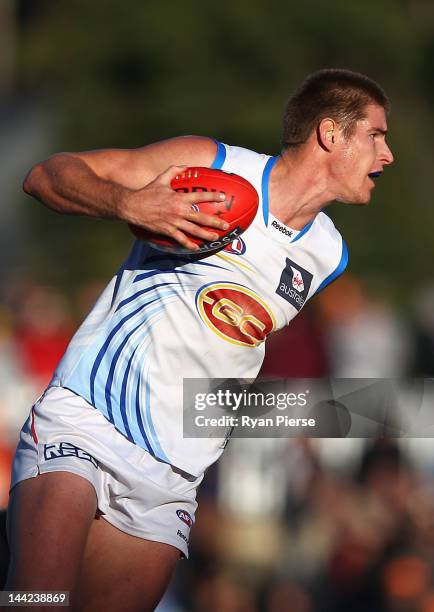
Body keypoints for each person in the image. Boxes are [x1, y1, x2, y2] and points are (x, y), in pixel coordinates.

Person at [4, 68, 393, 611]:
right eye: (376, 135)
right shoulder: (211, 165)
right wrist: (128, 203)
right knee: (35, 600)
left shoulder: (328, 255)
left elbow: (228, 351)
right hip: (89, 417)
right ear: (332, 134)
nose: (387, 155)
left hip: (173, 469)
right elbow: (47, 174)